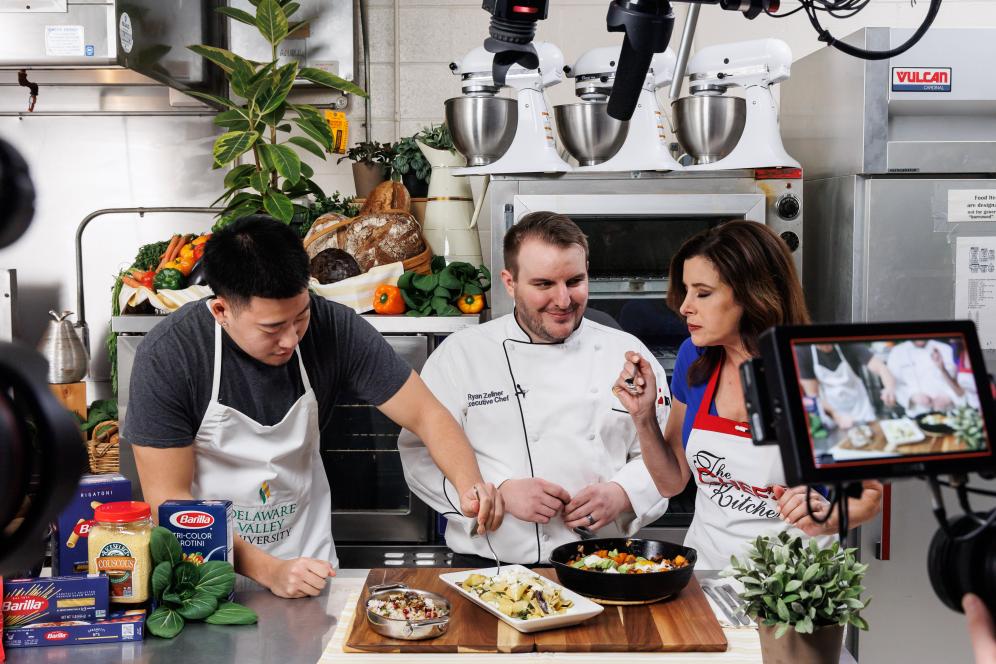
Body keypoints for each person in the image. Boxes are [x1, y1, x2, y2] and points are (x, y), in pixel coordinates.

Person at [124, 216, 502, 598]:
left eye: (300, 316)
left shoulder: (332, 327)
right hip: (205, 577)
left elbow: (427, 414)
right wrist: (268, 570)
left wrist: (470, 486)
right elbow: (169, 503)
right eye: (272, 328)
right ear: (222, 311)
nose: (291, 339)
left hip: (311, 572)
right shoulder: (170, 354)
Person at [398, 212, 671, 565]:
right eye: (543, 284)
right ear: (509, 283)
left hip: (605, 564)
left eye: (575, 280)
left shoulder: (627, 354)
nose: (563, 300)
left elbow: (665, 452)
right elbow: (420, 453)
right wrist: (496, 494)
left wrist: (624, 494)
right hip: (490, 569)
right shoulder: (462, 355)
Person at [612, 221, 883, 570]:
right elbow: (670, 481)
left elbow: (869, 496)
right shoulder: (693, 359)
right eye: (686, 291)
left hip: (796, 589)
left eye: (703, 293)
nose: (685, 307)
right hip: (707, 578)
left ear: (752, 294)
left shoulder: (823, 370)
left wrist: (829, 516)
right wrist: (643, 417)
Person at [796, 342, 898, 429]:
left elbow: (881, 367)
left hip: (862, 409)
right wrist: (836, 415)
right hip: (834, 413)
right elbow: (813, 395)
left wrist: (889, 388)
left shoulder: (849, 344)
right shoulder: (803, 351)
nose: (826, 346)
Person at [887, 339, 967, 416]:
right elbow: (893, 385)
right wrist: (911, 396)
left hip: (949, 412)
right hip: (916, 412)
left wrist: (950, 396)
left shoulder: (946, 349)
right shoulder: (897, 352)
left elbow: (961, 381)